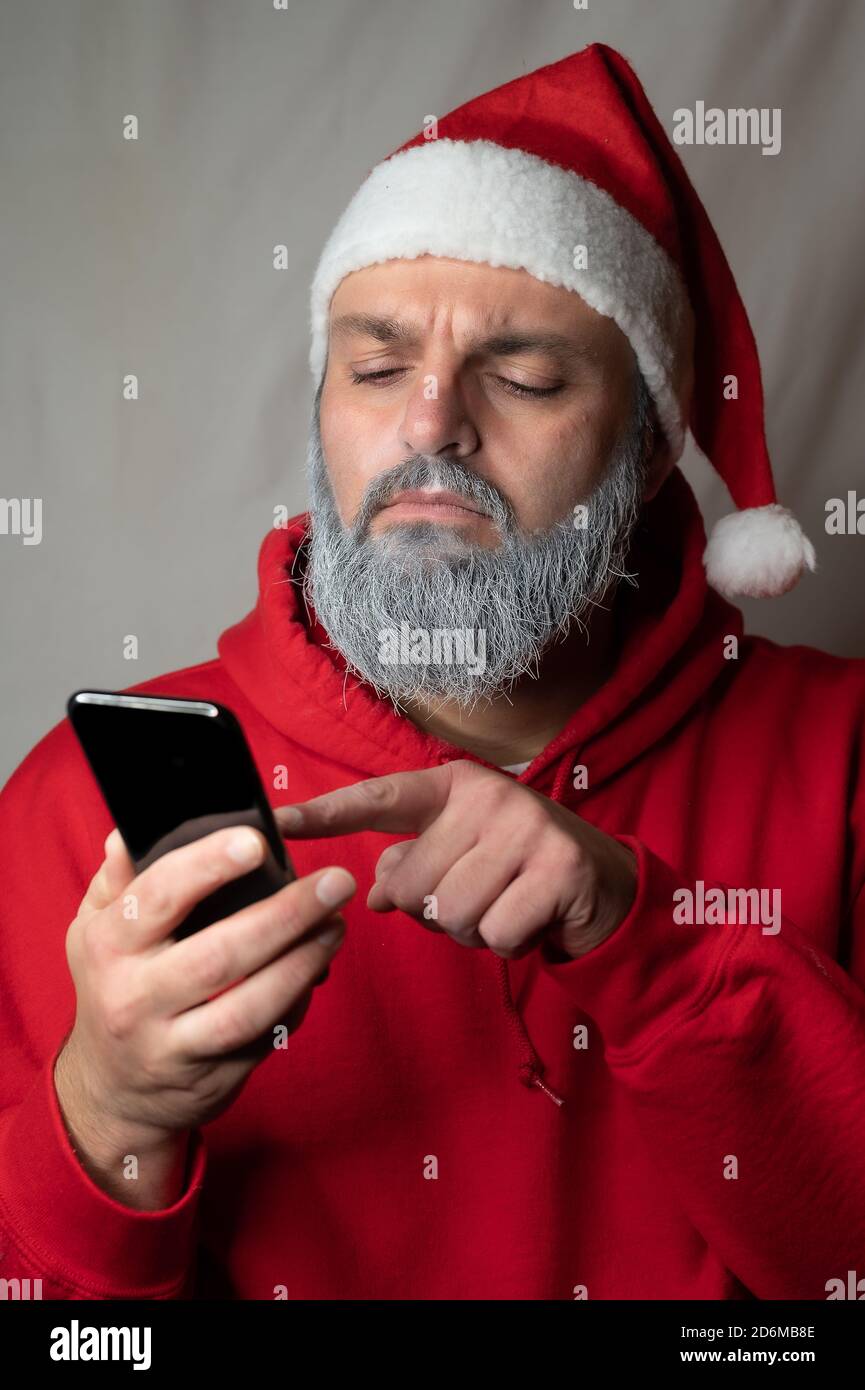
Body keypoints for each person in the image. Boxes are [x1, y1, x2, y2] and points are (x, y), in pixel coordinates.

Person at [1, 42, 863, 1303]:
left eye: (522, 375)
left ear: (646, 448)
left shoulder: (839, 765)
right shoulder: (81, 808)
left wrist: (648, 938)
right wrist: (106, 1114)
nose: (428, 425)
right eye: (375, 366)